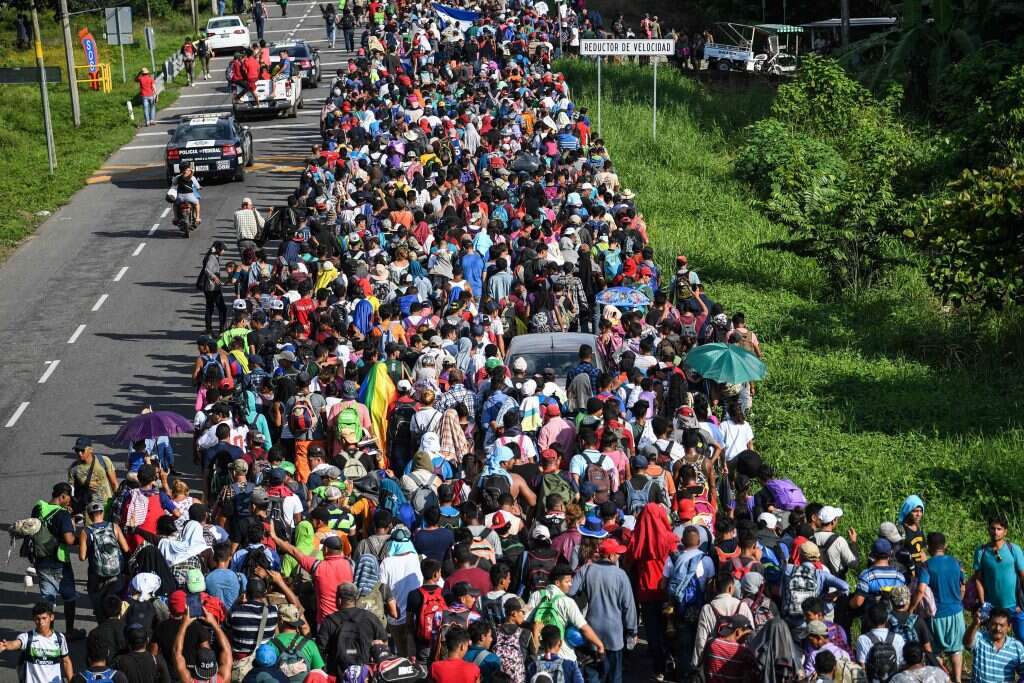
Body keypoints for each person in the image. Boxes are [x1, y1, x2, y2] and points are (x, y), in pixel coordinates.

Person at [571, 537, 637, 683]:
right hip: (614, 634)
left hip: (591, 632)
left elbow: (571, 592)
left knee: (592, 674)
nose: (619, 556)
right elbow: (629, 606)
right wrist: (632, 630)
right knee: (614, 676)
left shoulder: (586, 570)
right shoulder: (620, 575)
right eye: (617, 553)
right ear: (610, 556)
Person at [29, 483, 84, 640]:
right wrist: (82, 539)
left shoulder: (38, 508)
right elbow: (69, 539)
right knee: (69, 597)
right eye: (69, 499)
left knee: (47, 599)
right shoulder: (62, 514)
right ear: (63, 496)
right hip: (59, 562)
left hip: (40, 561)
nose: (69, 502)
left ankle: (47, 634)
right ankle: (70, 632)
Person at [914, 532, 965, 682]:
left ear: (928, 547)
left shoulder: (926, 565)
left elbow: (921, 590)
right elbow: (962, 587)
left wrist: (911, 609)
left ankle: (940, 679)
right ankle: (958, 679)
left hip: (936, 616)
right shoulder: (956, 562)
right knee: (956, 650)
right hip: (956, 613)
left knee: (934, 652)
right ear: (945, 545)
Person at [0, 601, 74, 683]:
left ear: (51, 617)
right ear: (34, 619)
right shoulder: (28, 637)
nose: (41, 622)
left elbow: (66, 661)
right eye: (37, 619)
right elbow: (17, 643)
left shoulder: (60, 638)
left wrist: (71, 681)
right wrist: (6, 645)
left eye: (44, 618)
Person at [971, 512, 1024, 612]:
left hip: (1014, 606)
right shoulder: (981, 551)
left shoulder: (1014, 549)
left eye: (999, 529)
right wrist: (983, 603)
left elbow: (1022, 576)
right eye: (993, 528)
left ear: (1005, 532)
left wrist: (1021, 604)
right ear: (988, 530)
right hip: (991, 606)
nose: (995, 532)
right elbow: (978, 579)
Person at [965, 606, 1024, 683]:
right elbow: (967, 643)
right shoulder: (980, 638)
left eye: (1002, 625)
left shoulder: (1017, 647)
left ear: (1009, 627)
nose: (997, 628)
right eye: (994, 624)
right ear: (988, 624)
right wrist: (974, 625)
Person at [171, 610, 233, 683]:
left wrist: (184, 624)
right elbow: (227, 649)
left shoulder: (189, 680)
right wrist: (214, 624)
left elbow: (176, 652)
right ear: (214, 665)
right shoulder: (223, 679)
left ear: (196, 666)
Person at [198, 242, 227, 334]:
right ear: (218, 249)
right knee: (222, 308)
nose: (224, 252)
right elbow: (207, 269)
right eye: (223, 250)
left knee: (210, 307)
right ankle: (221, 330)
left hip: (210, 287)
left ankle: (209, 330)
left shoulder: (214, 256)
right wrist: (214, 277)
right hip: (212, 288)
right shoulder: (212, 257)